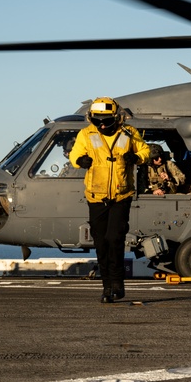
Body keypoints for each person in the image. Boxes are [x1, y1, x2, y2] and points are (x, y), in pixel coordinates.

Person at [69, 97, 150, 303]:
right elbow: (75, 155)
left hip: (121, 195)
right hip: (96, 196)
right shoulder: (86, 134)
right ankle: (107, 286)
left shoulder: (129, 133)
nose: (102, 125)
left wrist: (136, 158)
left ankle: (117, 283)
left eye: (106, 120)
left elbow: (145, 150)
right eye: (98, 121)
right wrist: (81, 161)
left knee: (115, 238)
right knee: (101, 242)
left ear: (116, 118)